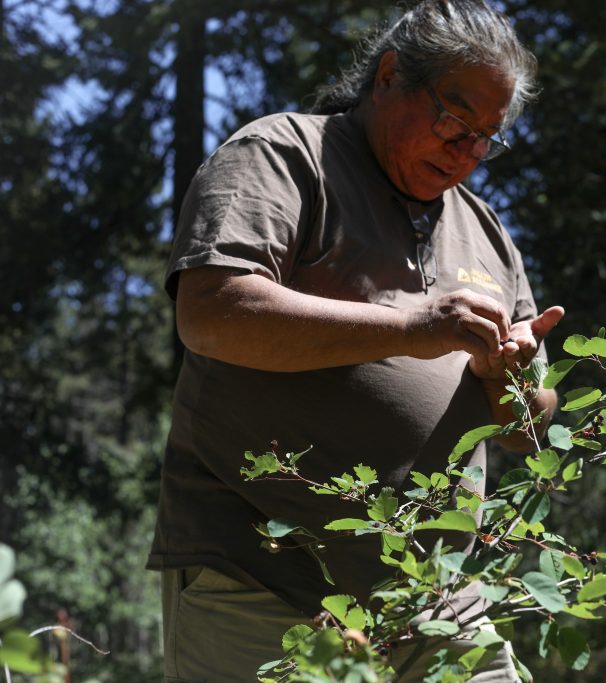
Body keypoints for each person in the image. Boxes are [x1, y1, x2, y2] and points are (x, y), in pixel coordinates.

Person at [147, 1, 563, 680]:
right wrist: (414, 327)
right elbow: (213, 310)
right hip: (264, 582)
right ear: (390, 77)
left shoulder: (486, 233)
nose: (467, 152)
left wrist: (509, 377)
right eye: (455, 121)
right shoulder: (284, 157)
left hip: (437, 600)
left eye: (487, 136)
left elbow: (528, 431)